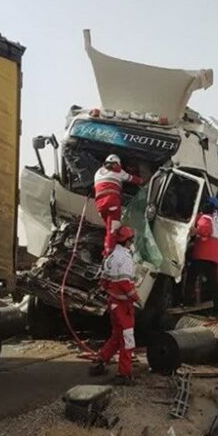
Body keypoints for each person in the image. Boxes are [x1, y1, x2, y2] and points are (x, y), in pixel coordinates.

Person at [89, 226, 139, 385]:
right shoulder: (125, 258)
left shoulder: (110, 257)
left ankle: (100, 361)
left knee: (117, 336)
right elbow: (125, 284)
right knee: (128, 339)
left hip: (113, 304)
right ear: (128, 241)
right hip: (123, 306)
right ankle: (124, 374)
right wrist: (137, 298)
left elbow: (103, 281)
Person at [93, 154, 143, 256]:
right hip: (112, 202)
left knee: (110, 226)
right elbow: (133, 179)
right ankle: (109, 252)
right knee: (112, 228)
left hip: (100, 204)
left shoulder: (98, 172)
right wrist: (144, 180)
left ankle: (122, 237)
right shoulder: (118, 171)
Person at [184, 197, 218, 316]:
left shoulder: (205, 218)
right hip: (213, 256)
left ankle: (188, 301)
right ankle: (217, 309)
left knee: (191, 277)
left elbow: (205, 231)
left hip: (202, 254)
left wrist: (195, 230)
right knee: (214, 283)